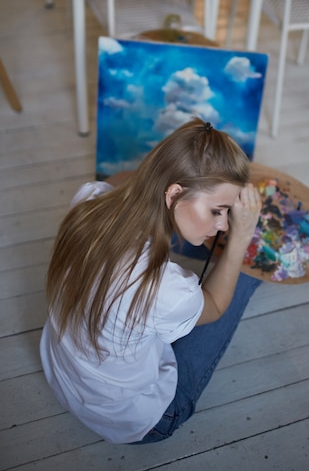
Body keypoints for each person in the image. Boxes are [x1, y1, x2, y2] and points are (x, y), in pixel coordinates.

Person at [40, 118, 262, 444]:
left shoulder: (89, 200)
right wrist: (241, 241)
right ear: (173, 194)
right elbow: (214, 306)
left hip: (63, 374)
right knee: (243, 277)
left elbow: (118, 181)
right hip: (132, 418)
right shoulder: (167, 290)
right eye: (218, 211)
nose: (224, 225)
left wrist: (160, 173)